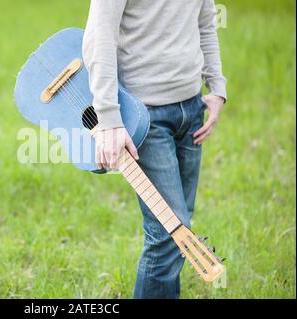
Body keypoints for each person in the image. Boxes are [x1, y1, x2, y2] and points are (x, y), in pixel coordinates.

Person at [82, 0, 227, 299]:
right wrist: (108, 118)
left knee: (179, 226)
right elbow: (100, 35)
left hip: (192, 107)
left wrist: (216, 87)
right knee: (170, 234)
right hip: (144, 115)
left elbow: (205, 21)